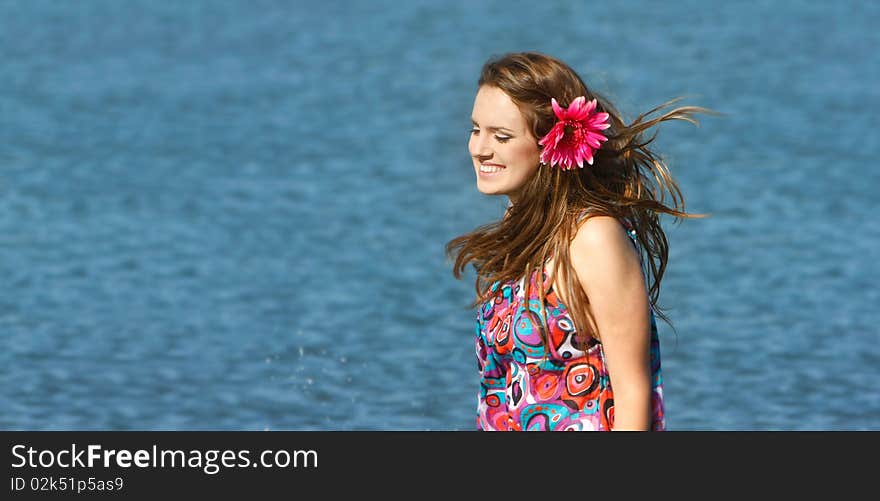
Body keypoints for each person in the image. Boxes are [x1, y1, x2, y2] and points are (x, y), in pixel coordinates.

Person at [446, 52, 713, 431]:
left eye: (501, 136)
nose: (479, 148)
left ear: (552, 143)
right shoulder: (522, 228)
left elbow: (634, 393)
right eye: (476, 130)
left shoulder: (593, 237)